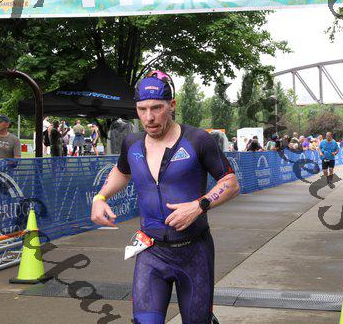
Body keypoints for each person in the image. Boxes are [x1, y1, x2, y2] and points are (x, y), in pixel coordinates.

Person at [90, 70, 239, 324]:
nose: (149, 117)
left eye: (156, 108)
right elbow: (121, 172)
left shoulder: (198, 140)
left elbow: (230, 182)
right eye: (142, 109)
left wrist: (199, 205)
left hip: (194, 252)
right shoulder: (132, 143)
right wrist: (100, 198)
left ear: (172, 105)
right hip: (151, 252)